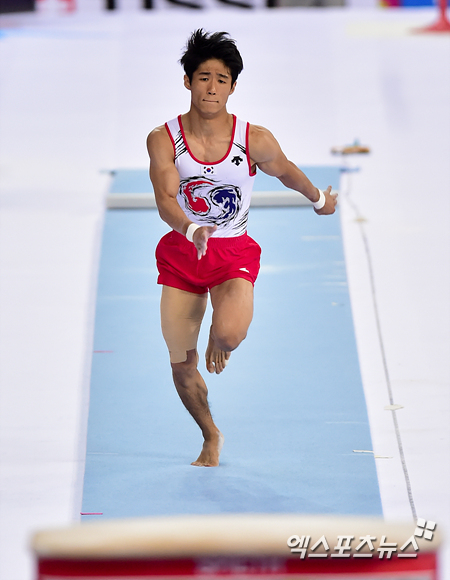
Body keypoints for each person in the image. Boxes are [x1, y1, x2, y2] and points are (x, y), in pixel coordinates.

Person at [146, 29, 337, 468]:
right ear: (188, 81)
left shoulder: (254, 139)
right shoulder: (164, 138)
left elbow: (287, 173)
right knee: (181, 364)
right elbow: (165, 200)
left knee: (230, 334)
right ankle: (210, 433)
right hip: (183, 255)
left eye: (221, 79)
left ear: (233, 86)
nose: (211, 88)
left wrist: (319, 200)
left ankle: (220, 334)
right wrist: (191, 228)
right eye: (203, 77)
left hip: (232, 253)